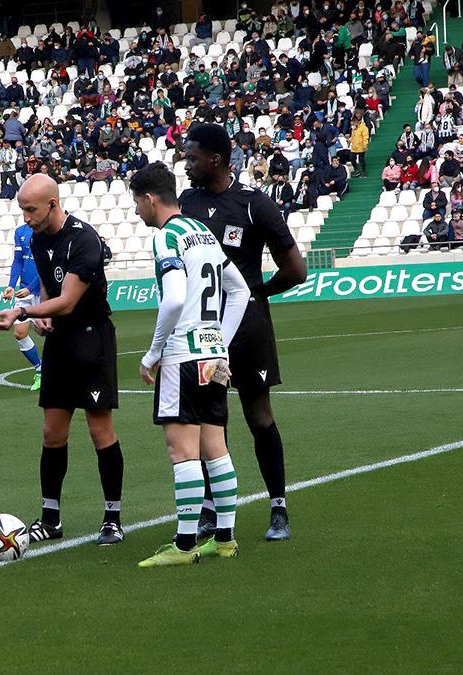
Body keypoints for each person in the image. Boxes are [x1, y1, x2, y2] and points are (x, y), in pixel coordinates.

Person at [178, 123, 307, 541]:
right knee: (212, 418)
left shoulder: (254, 205)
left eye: (193, 156)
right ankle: (213, 510)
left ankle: (278, 508)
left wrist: (257, 295)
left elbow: (296, 269)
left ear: (214, 159)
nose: (187, 163)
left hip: (247, 335)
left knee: (258, 414)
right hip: (206, 335)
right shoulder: (186, 203)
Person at [0, 173, 126, 547]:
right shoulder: (37, 238)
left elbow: (68, 300)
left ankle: (112, 518)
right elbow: (52, 289)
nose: (25, 217)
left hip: (91, 338)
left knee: (100, 431)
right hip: (62, 341)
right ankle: (51, 519)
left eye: (30, 209)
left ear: (52, 204)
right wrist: (42, 313)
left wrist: (24, 312)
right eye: (21, 210)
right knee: (52, 433)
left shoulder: (84, 238)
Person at [130, 162, 251, 567]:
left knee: (182, 451)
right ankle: (225, 539)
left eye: (137, 204)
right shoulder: (203, 233)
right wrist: (222, 344)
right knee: (215, 448)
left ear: (149, 199)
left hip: (183, 355)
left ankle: (183, 548)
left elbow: (176, 298)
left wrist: (153, 352)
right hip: (213, 354)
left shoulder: (167, 238)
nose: (136, 213)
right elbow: (240, 290)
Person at [1, 220, 43, 390]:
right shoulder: (20, 232)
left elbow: (48, 265)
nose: (26, 215)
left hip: (46, 291)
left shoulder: (47, 230)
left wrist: (31, 288)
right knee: (19, 333)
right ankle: (40, 370)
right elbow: (18, 261)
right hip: (24, 291)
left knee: (53, 333)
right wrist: (11, 285)